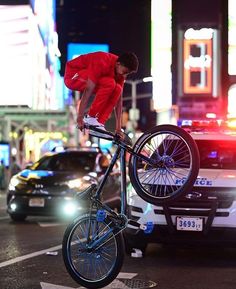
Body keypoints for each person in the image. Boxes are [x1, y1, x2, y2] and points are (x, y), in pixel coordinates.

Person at [64, 51, 139, 137]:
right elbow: (88, 90)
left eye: (127, 73)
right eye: (125, 72)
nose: (125, 76)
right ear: (118, 64)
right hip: (73, 75)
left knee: (117, 89)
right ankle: (90, 118)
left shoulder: (120, 73)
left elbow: (119, 100)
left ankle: (99, 122)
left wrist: (118, 128)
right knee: (110, 83)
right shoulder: (101, 61)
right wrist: (80, 117)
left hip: (89, 76)